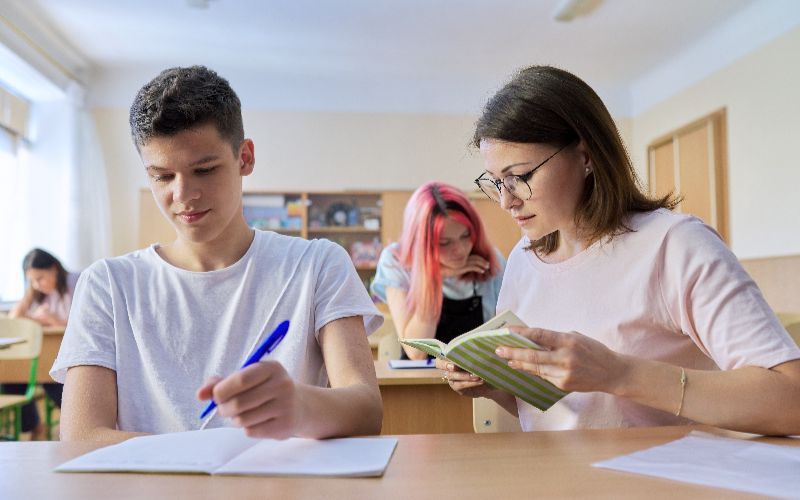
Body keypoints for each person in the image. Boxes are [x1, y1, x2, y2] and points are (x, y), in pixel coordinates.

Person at [439, 65, 800, 436]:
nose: (506, 201)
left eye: (520, 177)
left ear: (586, 155)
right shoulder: (522, 260)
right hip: (554, 481)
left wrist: (619, 373)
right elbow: (559, 414)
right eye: (496, 182)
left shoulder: (674, 244)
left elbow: (791, 398)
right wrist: (496, 386)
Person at [50, 66, 383, 442]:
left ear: (245, 158)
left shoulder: (318, 265)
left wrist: (301, 407)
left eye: (204, 170)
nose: (184, 194)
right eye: (162, 176)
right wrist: (203, 454)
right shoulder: (108, 284)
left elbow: (367, 409)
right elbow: (81, 437)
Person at [371, 182, 505, 360]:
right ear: (421, 244)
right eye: (444, 243)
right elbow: (417, 352)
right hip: (423, 381)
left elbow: (502, 341)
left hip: (477, 377)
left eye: (466, 236)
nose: (460, 250)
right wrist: (435, 278)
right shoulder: (397, 261)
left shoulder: (490, 261)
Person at [5, 248, 77, 439]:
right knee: (10, 379)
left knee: (51, 380)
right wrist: (30, 292)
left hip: (66, 357)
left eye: (40, 278)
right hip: (45, 358)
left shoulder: (75, 283)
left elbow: (88, 325)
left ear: (54, 268)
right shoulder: (39, 292)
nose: (37, 285)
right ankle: (35, 426)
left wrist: (54, 321)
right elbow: (13, 320)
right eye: (32, 281)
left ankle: (71, 422)